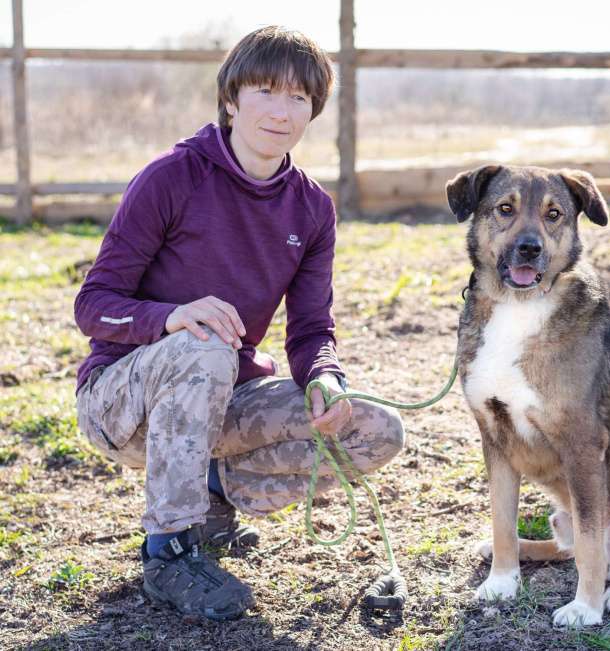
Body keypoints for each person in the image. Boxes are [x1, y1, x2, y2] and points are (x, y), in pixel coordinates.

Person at [73, 26, 405, 621]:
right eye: (264, 92)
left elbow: (309, 330)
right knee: (205, 345)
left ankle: (214, 494)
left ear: (313, 110)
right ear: (231, 99)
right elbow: (93, 303)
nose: (280, 112)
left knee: (376, 429)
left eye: (298, 98)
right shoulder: (172, 178)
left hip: (221, 400)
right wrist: (172, 316)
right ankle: (169, 549)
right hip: (123, 403)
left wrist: (326, 375)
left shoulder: (313, 209)